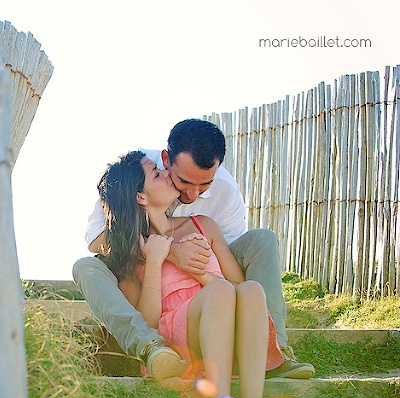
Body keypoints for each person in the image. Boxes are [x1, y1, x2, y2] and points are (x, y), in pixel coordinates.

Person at [73, 119, 314, 381]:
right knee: (86, 266)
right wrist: (170, 253)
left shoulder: (225, 192)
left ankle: (275, 350)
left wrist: (202, 263)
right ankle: (149, 347)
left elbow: (229, 259)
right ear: (166, 160)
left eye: (204, 185)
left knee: (263, 240)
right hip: (153, 277)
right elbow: (98, 238)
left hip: (208, 282)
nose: (192, 193)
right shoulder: (135, 173)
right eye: (185, 181)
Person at [97, 150, 283, 398]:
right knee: (220, 290)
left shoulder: (202, 225)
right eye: (156, 175)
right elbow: (148, 321)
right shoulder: (133, 254)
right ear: (140, 197)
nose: (166, 176)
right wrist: (156, 262)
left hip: (228, 330)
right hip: (183, 340)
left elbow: (238, 286)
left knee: (251, 289)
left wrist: (200, 273)